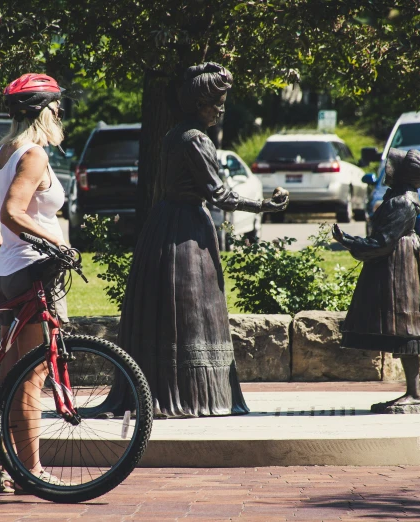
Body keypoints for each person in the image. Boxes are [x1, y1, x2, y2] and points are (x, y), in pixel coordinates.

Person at [114, 63, 288, 418]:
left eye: (223, 102)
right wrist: (264, 205)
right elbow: (220, 194)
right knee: (192, 314)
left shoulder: (173, 134)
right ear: (197, 104)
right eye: (216, 103)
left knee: (173, 313)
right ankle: (195, 396)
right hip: (185, 236)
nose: (221, 109)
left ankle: (157, 389)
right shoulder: (196, 139)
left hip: (164, 226)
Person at [0, 73, 69, 493]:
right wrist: (58, 244)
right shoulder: (33, 156)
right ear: (44, 111)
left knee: (13, 375)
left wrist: (2, 247)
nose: (60, 113)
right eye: (57, 107)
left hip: (11, 271)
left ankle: (13, 467)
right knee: (33, 375)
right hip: (34, 274)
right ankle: (32, 471)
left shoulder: (6, 152)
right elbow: (11, 212)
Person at [332, 148, 420, 410]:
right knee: (403, 326)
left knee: (406, 327)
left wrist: (348, 241)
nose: (387, 170)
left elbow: (381, 242)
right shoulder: (400, 196)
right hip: (396, 263)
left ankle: (414, 393)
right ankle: (414, 391)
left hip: (398, 267)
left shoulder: (401, 201)